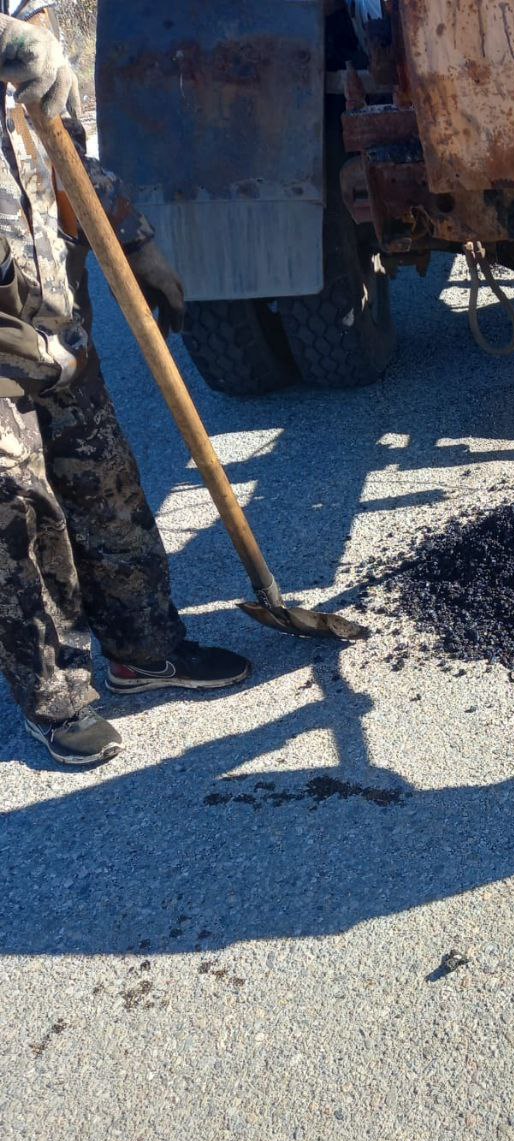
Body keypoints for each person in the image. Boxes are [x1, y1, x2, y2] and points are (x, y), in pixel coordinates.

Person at [0, 4, 250, 768]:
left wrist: (134, 241)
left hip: (58, 328)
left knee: (107, 489)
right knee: (16, 519)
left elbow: (66, 148)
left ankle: (144, 649)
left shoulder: (25, 53)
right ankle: (55, 694)